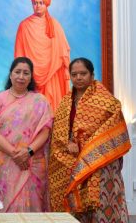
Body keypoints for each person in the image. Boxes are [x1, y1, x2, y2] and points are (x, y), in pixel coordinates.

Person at [48, 57, 131, 222]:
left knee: (100, 204)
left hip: (99, 162)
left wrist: (88, 149)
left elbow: (114, 129)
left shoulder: (108, 102)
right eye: (74, 74)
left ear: (92, 75)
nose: (78, 77)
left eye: (83, 73)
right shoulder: (65, 101)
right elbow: (58, 130)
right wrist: (68, 143)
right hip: (70, 160)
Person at [0, 57, 53, 212]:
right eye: (17, 72)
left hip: (33, 162)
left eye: (26, 73)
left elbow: (45, 132)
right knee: (7, 208)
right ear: (10, 75)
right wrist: (15, 154)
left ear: (31, 77)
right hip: (5, 161)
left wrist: (28, 152)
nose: (21, 76)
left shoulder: (40, 100)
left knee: (32, 206)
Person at [14, 0, 70, 111]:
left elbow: (63, 50)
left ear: (46, 4)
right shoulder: (24, 25)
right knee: (33, 112)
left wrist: (66, 68)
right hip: (31, 75)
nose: (38, 6)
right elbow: (19, 54)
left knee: (52, 110)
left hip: (52, 72)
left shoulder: (54, 25)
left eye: (41, 3)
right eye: (35, 3)